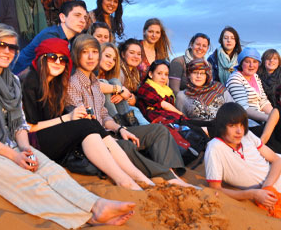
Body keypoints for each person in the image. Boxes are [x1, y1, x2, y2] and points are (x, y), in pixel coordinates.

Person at [0, 24, 135, 230]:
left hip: (10, 144)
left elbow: (19, 123)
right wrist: (14, 156)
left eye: (11, 47)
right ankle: (86, 217)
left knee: (51, 170)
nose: (6, 51)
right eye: (0, 45)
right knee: (28, 181)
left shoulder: (11, 80)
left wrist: (26, 150)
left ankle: (97, 204)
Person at [21, 38, 152, 190]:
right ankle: (122, 179)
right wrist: (67, 118)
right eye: (52, 57)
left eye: (62, 59)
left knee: (91, 121)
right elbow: (29, 127)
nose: (57, 62)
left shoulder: (57, 83)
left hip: (53, 137)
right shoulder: (31, 82)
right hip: (35, 142)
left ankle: (136, 175)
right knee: (84, 124)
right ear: (41, 58)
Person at [67, 34, 190, 185]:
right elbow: (82, 123)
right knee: (126, 146)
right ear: (75, 55)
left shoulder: (94, 82)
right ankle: (165, 177)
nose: (91, 57)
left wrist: (120, 129)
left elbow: (104, 116)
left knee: (158, 130)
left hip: (113, 128)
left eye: (94, 52)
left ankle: (171, 172)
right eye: (85, 52)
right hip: (95, 140)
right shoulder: (73, 83)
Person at [136, 59, 210, 157]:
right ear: (150, 74)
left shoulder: (167, 90)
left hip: (174, 118)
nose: (163, 77)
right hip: (162, 120)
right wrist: (180, 113)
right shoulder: (145, 88)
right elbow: (162, 104)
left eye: (166, 74)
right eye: (159, 73)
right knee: (200, 130)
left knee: (210, 126)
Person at [13, 0, 87, 75]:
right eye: (77, 15)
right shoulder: (51, 36)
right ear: (63, 17)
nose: (83, 20)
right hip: (18, 77)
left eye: (85, 17)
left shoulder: (72, 40)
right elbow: (50, 69)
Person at [226, 47, 272, 135]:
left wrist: (274, 116)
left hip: (259, 119)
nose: (251, 65)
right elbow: (244, 109)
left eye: (255, 62)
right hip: (245, 123)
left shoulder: (255, 77)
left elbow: (263, 101)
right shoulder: (235, 79)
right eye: (247, 61)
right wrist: (268, 118)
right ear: (241, 63)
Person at [97, 42, 138, 126]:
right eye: (107, 56)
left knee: (115, 81)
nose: (111, 61)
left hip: (118, 110)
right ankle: (118, 124)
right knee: (104, 82)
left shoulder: (111, 77)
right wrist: (120, 90)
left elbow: (128, 96)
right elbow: (93, 85)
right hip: (96, 112)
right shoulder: (90, 71)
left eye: (114, 59)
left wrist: (121, 94)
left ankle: (131, 124)